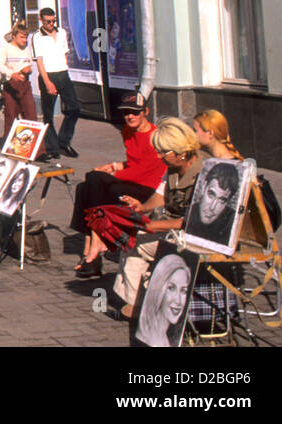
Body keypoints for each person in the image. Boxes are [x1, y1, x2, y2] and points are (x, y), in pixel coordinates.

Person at [112, 118, 203, 317]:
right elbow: (161, 194)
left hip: (193, 235)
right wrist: (142, 206)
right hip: (176, 229)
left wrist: (150, 224)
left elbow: (189, 222)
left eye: (163, 152)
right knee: (131, 238)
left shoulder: (202, 173)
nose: (159, 156)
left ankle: (137, 301)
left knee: (136, 242)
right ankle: (136, 301)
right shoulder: (173, 167)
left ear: (181, 151)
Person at [71, 93, 166, 277]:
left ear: (145, 112)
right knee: (84, 187)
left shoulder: (154, 136)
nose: (130, 116)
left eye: (134, 113)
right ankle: (91, 247)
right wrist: (113, 166)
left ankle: (93, 247)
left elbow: (142, 172)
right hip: (130, 181)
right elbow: (133, 162)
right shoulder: (128, 131)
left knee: (95, 179)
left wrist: (112, 173)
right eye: (126, 113)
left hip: (147, 189)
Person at [32, 7, 81, 158]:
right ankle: (52, 148)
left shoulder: (61, 33)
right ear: (41, 20)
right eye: (47, 21)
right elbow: (39, 61)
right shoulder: (37, 37)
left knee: (74, 108)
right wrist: (47, 83)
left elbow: (64, 54)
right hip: (48, 76)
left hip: (63, 74)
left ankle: (64, 142)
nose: (51, 24)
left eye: (53, 21)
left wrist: (66, 70)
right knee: (48, 114)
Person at [134, 253, 192, 347]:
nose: (178, 300)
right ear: (158, 288)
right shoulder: (150, 337)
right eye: (171, 288)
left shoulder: (163, 338)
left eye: (183, 291)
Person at [0, 24, 39, 146]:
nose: (24, 40)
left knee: (31, 115)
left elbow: (28, 63)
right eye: (22, 37)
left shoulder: (26, 48)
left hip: (25, 84)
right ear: (14, 36)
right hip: (11, 84)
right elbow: (0, 66)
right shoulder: (5, 48)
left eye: (26, 38)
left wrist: (28, 69)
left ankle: (34, 149)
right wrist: (11, 74)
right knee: (11, 116)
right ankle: (11, 146)